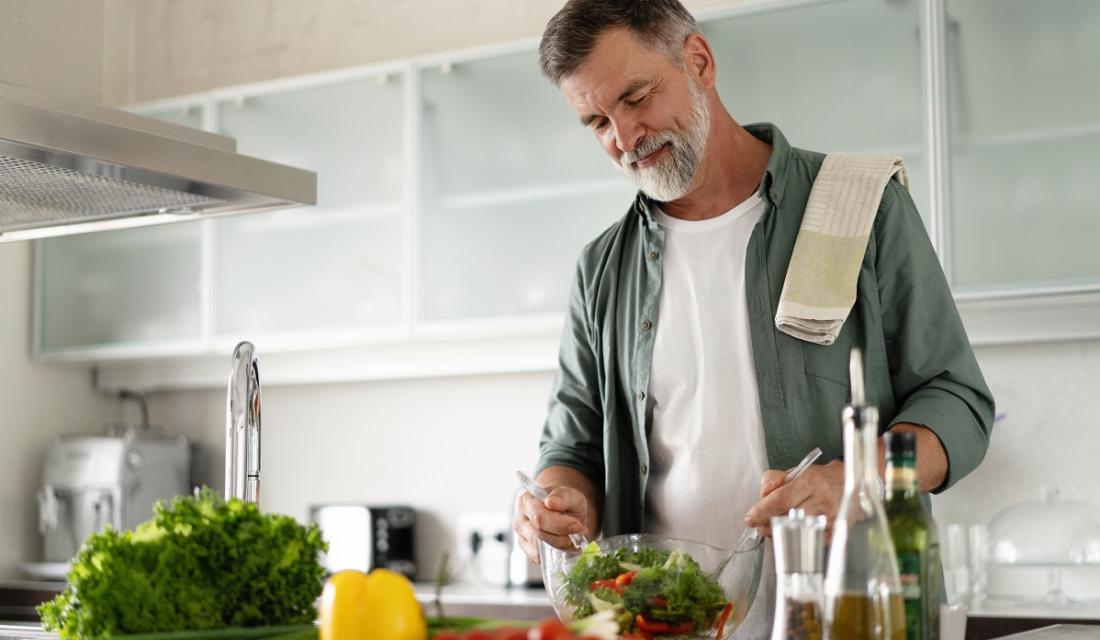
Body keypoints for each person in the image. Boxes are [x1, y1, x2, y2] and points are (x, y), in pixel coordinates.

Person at [512, 0, 995, 637]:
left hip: (851, 617)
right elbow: (572, 444)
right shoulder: (602, 267)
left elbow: (959, 406)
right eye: (597, 121)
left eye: (636, 97)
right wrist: (558, 498)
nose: (624, 139)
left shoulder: (859, 206)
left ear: (699, 61)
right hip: (663, 623)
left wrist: (854, 480)